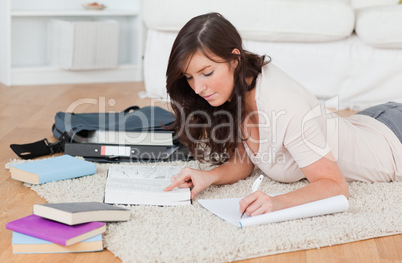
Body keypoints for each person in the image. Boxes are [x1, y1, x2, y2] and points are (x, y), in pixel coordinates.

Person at [164, 12, 402, 217]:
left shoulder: (282, 103)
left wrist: (277, 202)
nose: (197, 88)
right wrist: (209, 177)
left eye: (207, 72)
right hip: (370, 121)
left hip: (393, 145)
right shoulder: (236, 88)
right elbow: (245, 161)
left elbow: (335, 186)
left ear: (235, 59)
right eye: (189, 76)